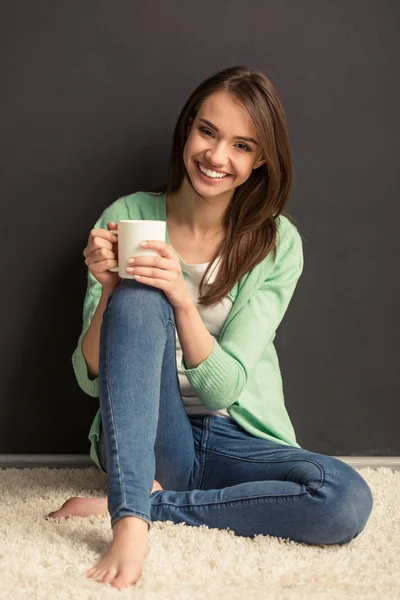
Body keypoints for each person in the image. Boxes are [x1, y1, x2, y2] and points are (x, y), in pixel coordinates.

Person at [48, 65, 373, 590]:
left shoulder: (275, 242)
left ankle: (157, 505)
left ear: (260, 159)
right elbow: (90, 379)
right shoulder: (128, 214)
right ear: (188, 129)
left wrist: (182, 297)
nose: (217, 157)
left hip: (236, 439)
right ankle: (130, 519)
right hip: (148, 436)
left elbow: (223, 387)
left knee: (344, 498)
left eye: (242, 145)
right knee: (134, 295)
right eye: (208, 132)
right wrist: (108, 291)